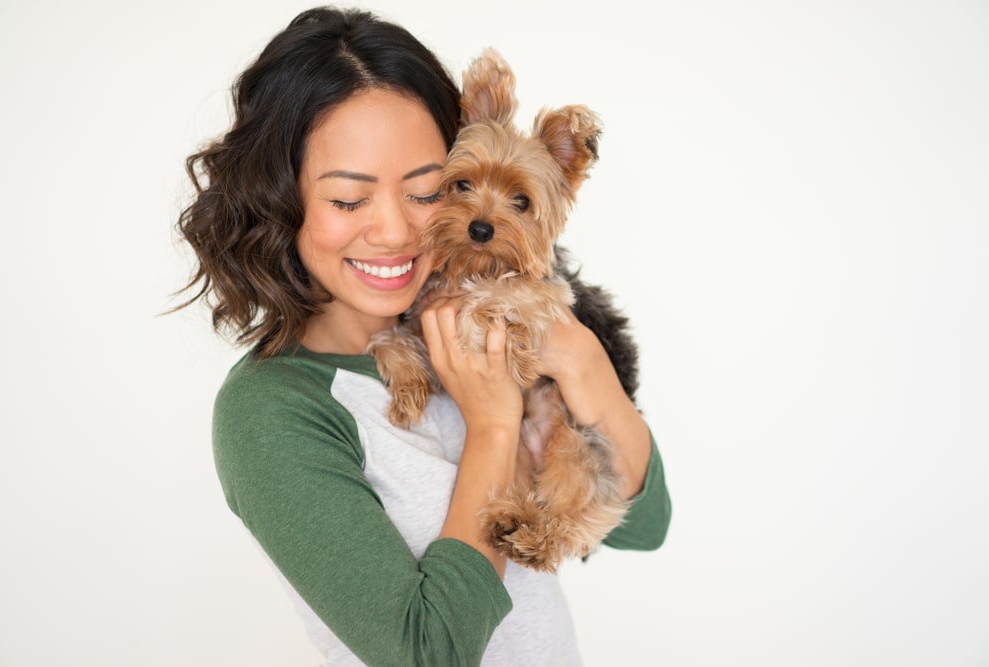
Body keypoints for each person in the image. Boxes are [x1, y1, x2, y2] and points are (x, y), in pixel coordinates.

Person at [176, 6, 671, 665]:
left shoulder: (497, 319)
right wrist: (494, 425)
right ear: (280, 200)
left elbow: (646, 523)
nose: (395, 232)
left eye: (429, 190)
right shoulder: (272, 411)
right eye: (349, 200)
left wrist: (581, 359)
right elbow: (425, 653)